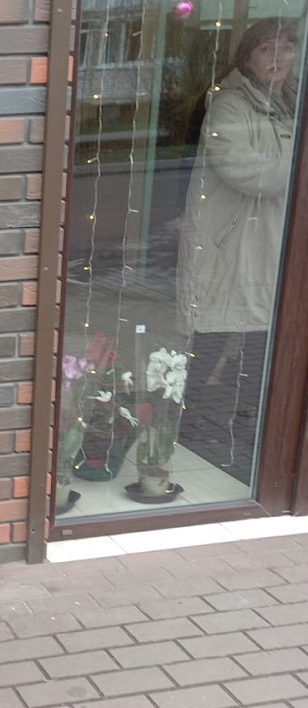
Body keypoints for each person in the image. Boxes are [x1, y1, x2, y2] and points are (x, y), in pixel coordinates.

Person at [176, 19, 299, 484]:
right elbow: (247, 170)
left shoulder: (291, 102)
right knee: (214, 339)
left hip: (274, 247)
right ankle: (188, 435)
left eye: (286, 48)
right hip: (232, 249)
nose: (277, 58)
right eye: (267, 48)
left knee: (261, 348)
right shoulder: (229, 104)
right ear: (247, 56)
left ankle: (246, 439)